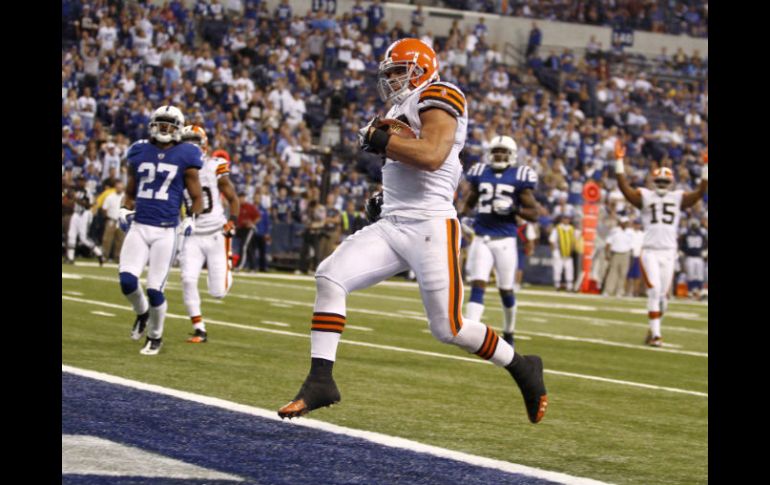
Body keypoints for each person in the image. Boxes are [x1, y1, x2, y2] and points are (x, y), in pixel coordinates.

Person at [278, 39, 547, 424]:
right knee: (330, 276)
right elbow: (407, 168)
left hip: (430, 225)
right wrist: (382, 197)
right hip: (394, 222)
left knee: (449, 327)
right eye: (387, 73)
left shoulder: (440, 92)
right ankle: (321, 379)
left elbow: (433, 155)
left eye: (397, 71)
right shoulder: (399, 107)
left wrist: (382, 139)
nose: (390, 80)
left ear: (420, 68)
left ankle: (522, 366)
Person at [118, 105, 203, 356]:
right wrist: (124, 208)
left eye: (169, 125)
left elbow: (196, 195)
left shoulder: (187, 154)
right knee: (127, 281)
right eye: (161, 123)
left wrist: (191, 218)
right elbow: (131, 190)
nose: (164, 129)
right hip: (140, 225)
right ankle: (142, 312)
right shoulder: (140, 151)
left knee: (155, 288)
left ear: (178, 129)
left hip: (166, 230)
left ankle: (155, 336)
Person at [614, 140, 707, 346]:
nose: (663, 185)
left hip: (669, 251)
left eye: (666, 182)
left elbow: (700, 193)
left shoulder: (677, 197)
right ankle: (657, 335)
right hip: (650, 251)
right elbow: (625, 189)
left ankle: (652, 329)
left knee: (664, 298)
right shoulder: (645, 196)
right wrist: (619, 162)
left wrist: (705, 169)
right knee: (654, 291)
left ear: (671, 183)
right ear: (654, 182)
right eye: (660, 182)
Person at [460, 135, 540, 346]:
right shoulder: (480, 173)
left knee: (506, 289)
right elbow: (470, 201)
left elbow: (535, 213)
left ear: (511, 155)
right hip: (481, 237)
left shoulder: (519, 176)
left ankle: (509, 331)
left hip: (505, 239)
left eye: (503, 152)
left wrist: (513, 209)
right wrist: (461, 216)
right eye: (495, 151)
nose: (498, 155)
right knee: (478, 283)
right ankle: (471, 332)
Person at [178, 125, 239, 344]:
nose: (191, 145)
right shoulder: (176, 167)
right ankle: (199, 329)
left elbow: (232, 198)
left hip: (215, 233)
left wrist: (232, 221)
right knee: (187, 279)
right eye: (187, 140)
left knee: (218, 292)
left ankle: (228, 261)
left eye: (194, 140)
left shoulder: (214, 166)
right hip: (192, 234)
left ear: (204, 144)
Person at [64, 175, 104, 266]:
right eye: (79, 180)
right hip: (76, 213)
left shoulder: (88, 191)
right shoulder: (76, 190)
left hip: (84, 214)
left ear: (85, 182)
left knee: (83, 238)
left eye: (82, 180)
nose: (80, 182)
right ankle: (70, 258)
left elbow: (88, 205)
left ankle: (99, 253)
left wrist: (75, 199)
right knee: (71, 235)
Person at [603, 216, 633, 297]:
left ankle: (619, 292)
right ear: (621, 223)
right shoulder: (614, 231)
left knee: (623, 274)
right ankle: (608, 291)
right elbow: (608, 243)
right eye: (624, 223)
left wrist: (631, 257)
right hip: (615, 253)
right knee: (612, 273)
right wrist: (607, 254)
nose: (626, 224)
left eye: (626, 223)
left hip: (626, 254)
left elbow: (632, 246)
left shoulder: (630, 232)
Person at [679, 218, 707, 300]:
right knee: (691, 275)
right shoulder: (686, 233)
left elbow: (705, 243)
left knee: (699, 275)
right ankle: (691, 291)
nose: (694, 226)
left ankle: (699, 291)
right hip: (690, 257)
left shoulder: (702, 232)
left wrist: (705, 250)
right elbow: (681, 243)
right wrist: (682, 251)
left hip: (699, 257)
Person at [549, 215, 578, 291]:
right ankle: (557, 285)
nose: (566, 220)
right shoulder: (557, 228)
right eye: (565, 218)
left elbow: (573, 241)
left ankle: (569, 286)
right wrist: (554, 251)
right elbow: (552, 240)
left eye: (568, 219)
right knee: (558, 269)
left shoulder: (572, 228)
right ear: (562, 220)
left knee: (569, 269)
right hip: (558, 251)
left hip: (568, 253)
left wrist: (572, 250)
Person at [101, 179, 126, 263]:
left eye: (121, 187)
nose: (119, 189)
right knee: (107, 239)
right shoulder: (110, 196)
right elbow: (104, 208)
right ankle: (104, 256)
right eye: (118, 187)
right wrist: (106, 218)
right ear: (115, 187)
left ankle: (118, 257)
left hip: (121, 220)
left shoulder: (125, 197)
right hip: (111, 219)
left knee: (120, 240)